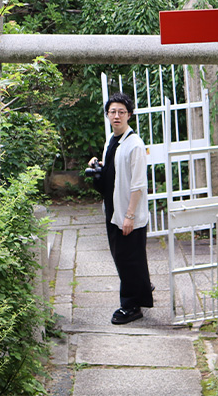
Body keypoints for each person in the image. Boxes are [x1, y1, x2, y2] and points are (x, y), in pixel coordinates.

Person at [87, 92, 154, 324]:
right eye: (113, 111)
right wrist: (97, 165)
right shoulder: (112, 140)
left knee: (128, 260)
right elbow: (113, 170)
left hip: (128, 213)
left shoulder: (135, 145)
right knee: (127, 258)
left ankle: (131, 306)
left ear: (129, 115)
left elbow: (138, 185)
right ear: (107, 115)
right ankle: (142, 287)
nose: (117, 116)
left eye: (121, 112)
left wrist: (129, 216)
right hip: (113, 209)